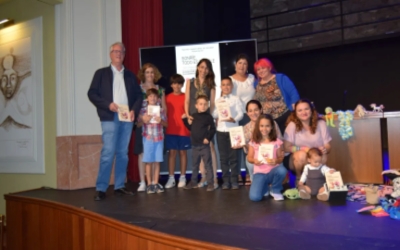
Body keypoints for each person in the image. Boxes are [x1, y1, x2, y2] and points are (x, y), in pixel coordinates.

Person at [88, 42, 142, 201]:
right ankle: (101, 188)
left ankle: (119, 186)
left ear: (124, 55)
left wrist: (134, 110)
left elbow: (139, 96)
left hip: (127, 119)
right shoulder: (101, 74)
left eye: (121, 52)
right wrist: (107, 105)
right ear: (110, 54)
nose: (119, 54)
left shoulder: (131, 75)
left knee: (123, 153)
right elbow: (92, 93)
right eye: (116, 51)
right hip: (109, 117)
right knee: (108, 152)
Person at [184, 58, 218, 188]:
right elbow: (187, 100)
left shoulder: (211, 84)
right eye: (202, 67)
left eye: (206, 68)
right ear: (198, 67)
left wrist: (211, 118)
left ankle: (213, 178)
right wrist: (187, 115)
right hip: (194, 119)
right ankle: (203, 176)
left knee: (210, 147)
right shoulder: (190, 82)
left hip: (206, 119)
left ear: (209, 70)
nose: (204, 70)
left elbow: (213, 103)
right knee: (198, 149)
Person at [134, 63, 166, 192]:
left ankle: (154, 182)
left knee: (155, 156)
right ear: (143, 74)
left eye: (152, 72)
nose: (150, 74)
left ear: (155, 74)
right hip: (143, 124)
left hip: (157, 126)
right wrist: (142, 119)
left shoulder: (160, 89)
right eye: (147, 72)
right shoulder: (138, 88)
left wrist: (163, 120)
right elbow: (135, 107)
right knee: (143, 153)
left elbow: (164, 108)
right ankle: (143, 181)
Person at [283, 99, 332, 179]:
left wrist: (324, 149)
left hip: (314, 157)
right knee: (302, 155)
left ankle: (316, 180)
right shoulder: (292, 125)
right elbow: (286, 148)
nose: (304, 112)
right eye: (300, 110)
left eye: (306, 109)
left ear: (311, 110)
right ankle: (299, 180)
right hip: (296, 159)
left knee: (321, 155)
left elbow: (328, 147)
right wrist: (304, 149)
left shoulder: (321, 123)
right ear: (295, 113)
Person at [253, 58, 300, 134]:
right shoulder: (256, 84)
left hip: (284, 117)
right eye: (258, 70)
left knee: (286, 141)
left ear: (269, 67)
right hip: (267, 121)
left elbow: (293, 93)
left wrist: (296, 110)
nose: (261, 71)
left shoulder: (280, 78)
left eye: (263, 68)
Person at [212, 77, 243, 189]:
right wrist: (219, 111)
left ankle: (234, 180)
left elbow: (241, 114)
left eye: (228, 85)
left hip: (234, 130)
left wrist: (233, 119)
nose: (226, 87)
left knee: (234, 157)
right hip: (221, 131)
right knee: (223, 158)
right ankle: (225, 181)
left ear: (232, 86)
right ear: (221, 87)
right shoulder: (218, 101)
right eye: (223, 85)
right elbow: (214, 115)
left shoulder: (236, 98)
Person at [247, 115, 287, 201]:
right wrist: (254, 160)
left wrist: (276, 160)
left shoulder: (276, 141)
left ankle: (275, 190)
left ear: (272, 127)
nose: (264, 129)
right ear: (258, 126)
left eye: (267, 126)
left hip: (273, 172)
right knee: (255, 198)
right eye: (262, 126)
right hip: (259, 173)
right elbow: (249, 158)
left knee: (282, 170)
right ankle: (265, 188)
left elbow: (280, 158)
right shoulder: (254, 142)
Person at [182, 95, 216, 191]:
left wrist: (208, 138)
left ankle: (210, 184)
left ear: (208, 105)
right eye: (201, 104)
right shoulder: (193, 116)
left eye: (205, 104)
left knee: (208, 165)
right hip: (195, 145)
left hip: (204, 146)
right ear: (196, 105)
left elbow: (213, 129)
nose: (203, 106)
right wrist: (184, 120)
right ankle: (193, 182)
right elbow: (190, 128)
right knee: (194, 166)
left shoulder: (208, 117)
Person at [243, 100, 282, 181]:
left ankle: (273, 184)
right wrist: (242, 144)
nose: (253, 113)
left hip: (272, 158)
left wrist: (276, 159)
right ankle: (255, 181)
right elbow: (248, 151)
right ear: (247, 113)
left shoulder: (272, 123)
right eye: (250, 111)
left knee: (280, 169)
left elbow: (279, 144)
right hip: (257, 160)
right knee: (248, 160)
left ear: (261, 110)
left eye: (256, 110)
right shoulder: (245, 128)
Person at [138, 88, 168, 194]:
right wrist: (143, 120)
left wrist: (161, 121)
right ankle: (149, 184)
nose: (153, 98)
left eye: (155, 96)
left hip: (159, 138)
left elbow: (166, 124)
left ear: (158, 98)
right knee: (148, 161)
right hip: (148, 138)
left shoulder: (161, 110)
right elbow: (138, 124)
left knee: (157, 161)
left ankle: (156, 183)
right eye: (150, 96)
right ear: (147, 98)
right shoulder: (143, 111)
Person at [165, 74, 190, 188]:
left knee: (183, 153)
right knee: (172, 154)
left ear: (182, 85)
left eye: (179, 83)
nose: (177, 86)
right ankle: (171, 178)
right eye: (174, 83)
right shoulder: (167, 98)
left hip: (184, 130)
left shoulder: (186, 97)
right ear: (171, 85)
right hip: (171, 129)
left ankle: (183, 177)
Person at [229, 53, 255, 125]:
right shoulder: (230, 80)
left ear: (247, 66)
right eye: (240, 63)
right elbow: (224, 98)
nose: (242, 66)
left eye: (245, 64)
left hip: (251, 115)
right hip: (236, 116)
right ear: (235, 65)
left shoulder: (252, 78)